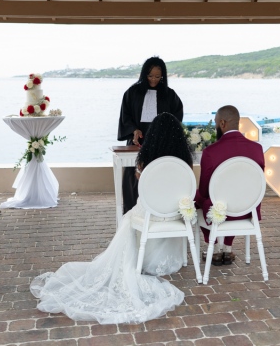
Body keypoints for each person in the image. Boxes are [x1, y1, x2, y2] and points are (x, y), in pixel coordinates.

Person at [31, 112, 192, 324]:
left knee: (128, 219)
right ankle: (164, 259)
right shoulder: (184, 160)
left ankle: (141, 261)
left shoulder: (147, 157)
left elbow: (142, 186)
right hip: (174, 213)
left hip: (152, 212)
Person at [195, 105, 265, 266]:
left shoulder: (211, 152)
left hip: (222, 212)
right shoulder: (257, 149)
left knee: (198, 198)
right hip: (248, 210)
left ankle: (213, 246)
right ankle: (226, 247)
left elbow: (205, 192)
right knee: (233, 196)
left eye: (215, 123)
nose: (215, 127)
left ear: (222, 123)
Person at [117, 57, 184, 214]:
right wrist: (134, 129)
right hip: (137, 141)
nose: (154, 79)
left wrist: (166, 133)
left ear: (163, 76)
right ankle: (131, 212)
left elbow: (176, 118)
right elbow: (125, 116)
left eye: (157, 76)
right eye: (150, 76)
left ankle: (159, 211)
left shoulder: (169, 95)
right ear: (144, 74)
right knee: (132, 179)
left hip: (161, 144)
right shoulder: (132, 93)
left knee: (159, 178)